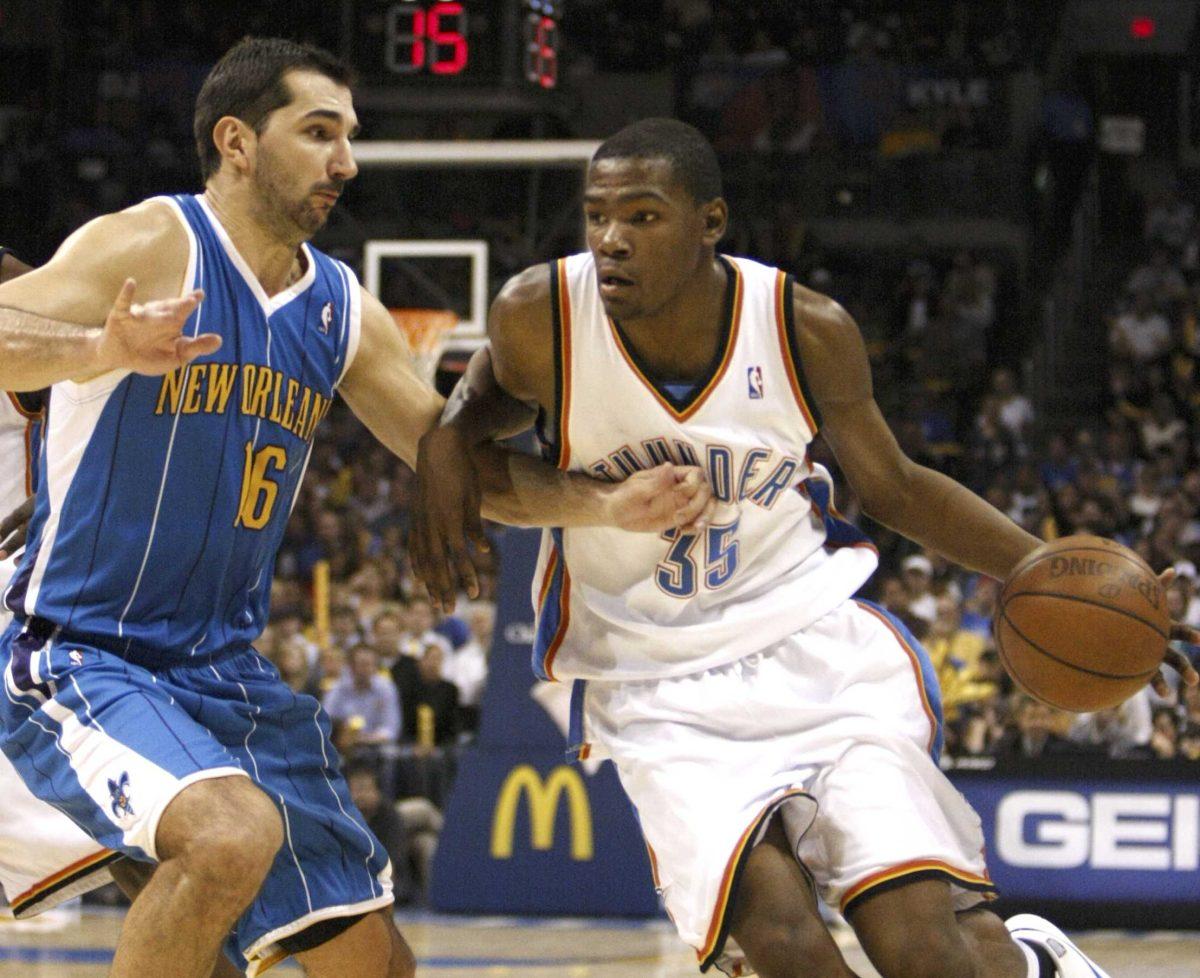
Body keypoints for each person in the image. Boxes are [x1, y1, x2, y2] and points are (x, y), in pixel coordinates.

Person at [422, 118, 1200, 978]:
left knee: (925, 952)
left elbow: (897, 486)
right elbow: (474, 424)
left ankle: (1030, 960)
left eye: (642, 217)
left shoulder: (803, 327)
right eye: (597, 216)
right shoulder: (542, 315)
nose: (611, 240)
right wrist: (448, 441)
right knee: (787, 948)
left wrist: (1044, 570)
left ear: (709, 222)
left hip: (813, 649)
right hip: (653, 685)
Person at [0, 45, 711, 978]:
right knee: (225, 840)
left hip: (224, 670)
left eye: (350, 137)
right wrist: (100, 345)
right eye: (320, 132)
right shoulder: (149, 244)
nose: (347, 162)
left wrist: (604, 504)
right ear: (237, 142)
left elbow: (453, 465)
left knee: (375, 965)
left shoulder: (340, 308)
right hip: (83, 649)